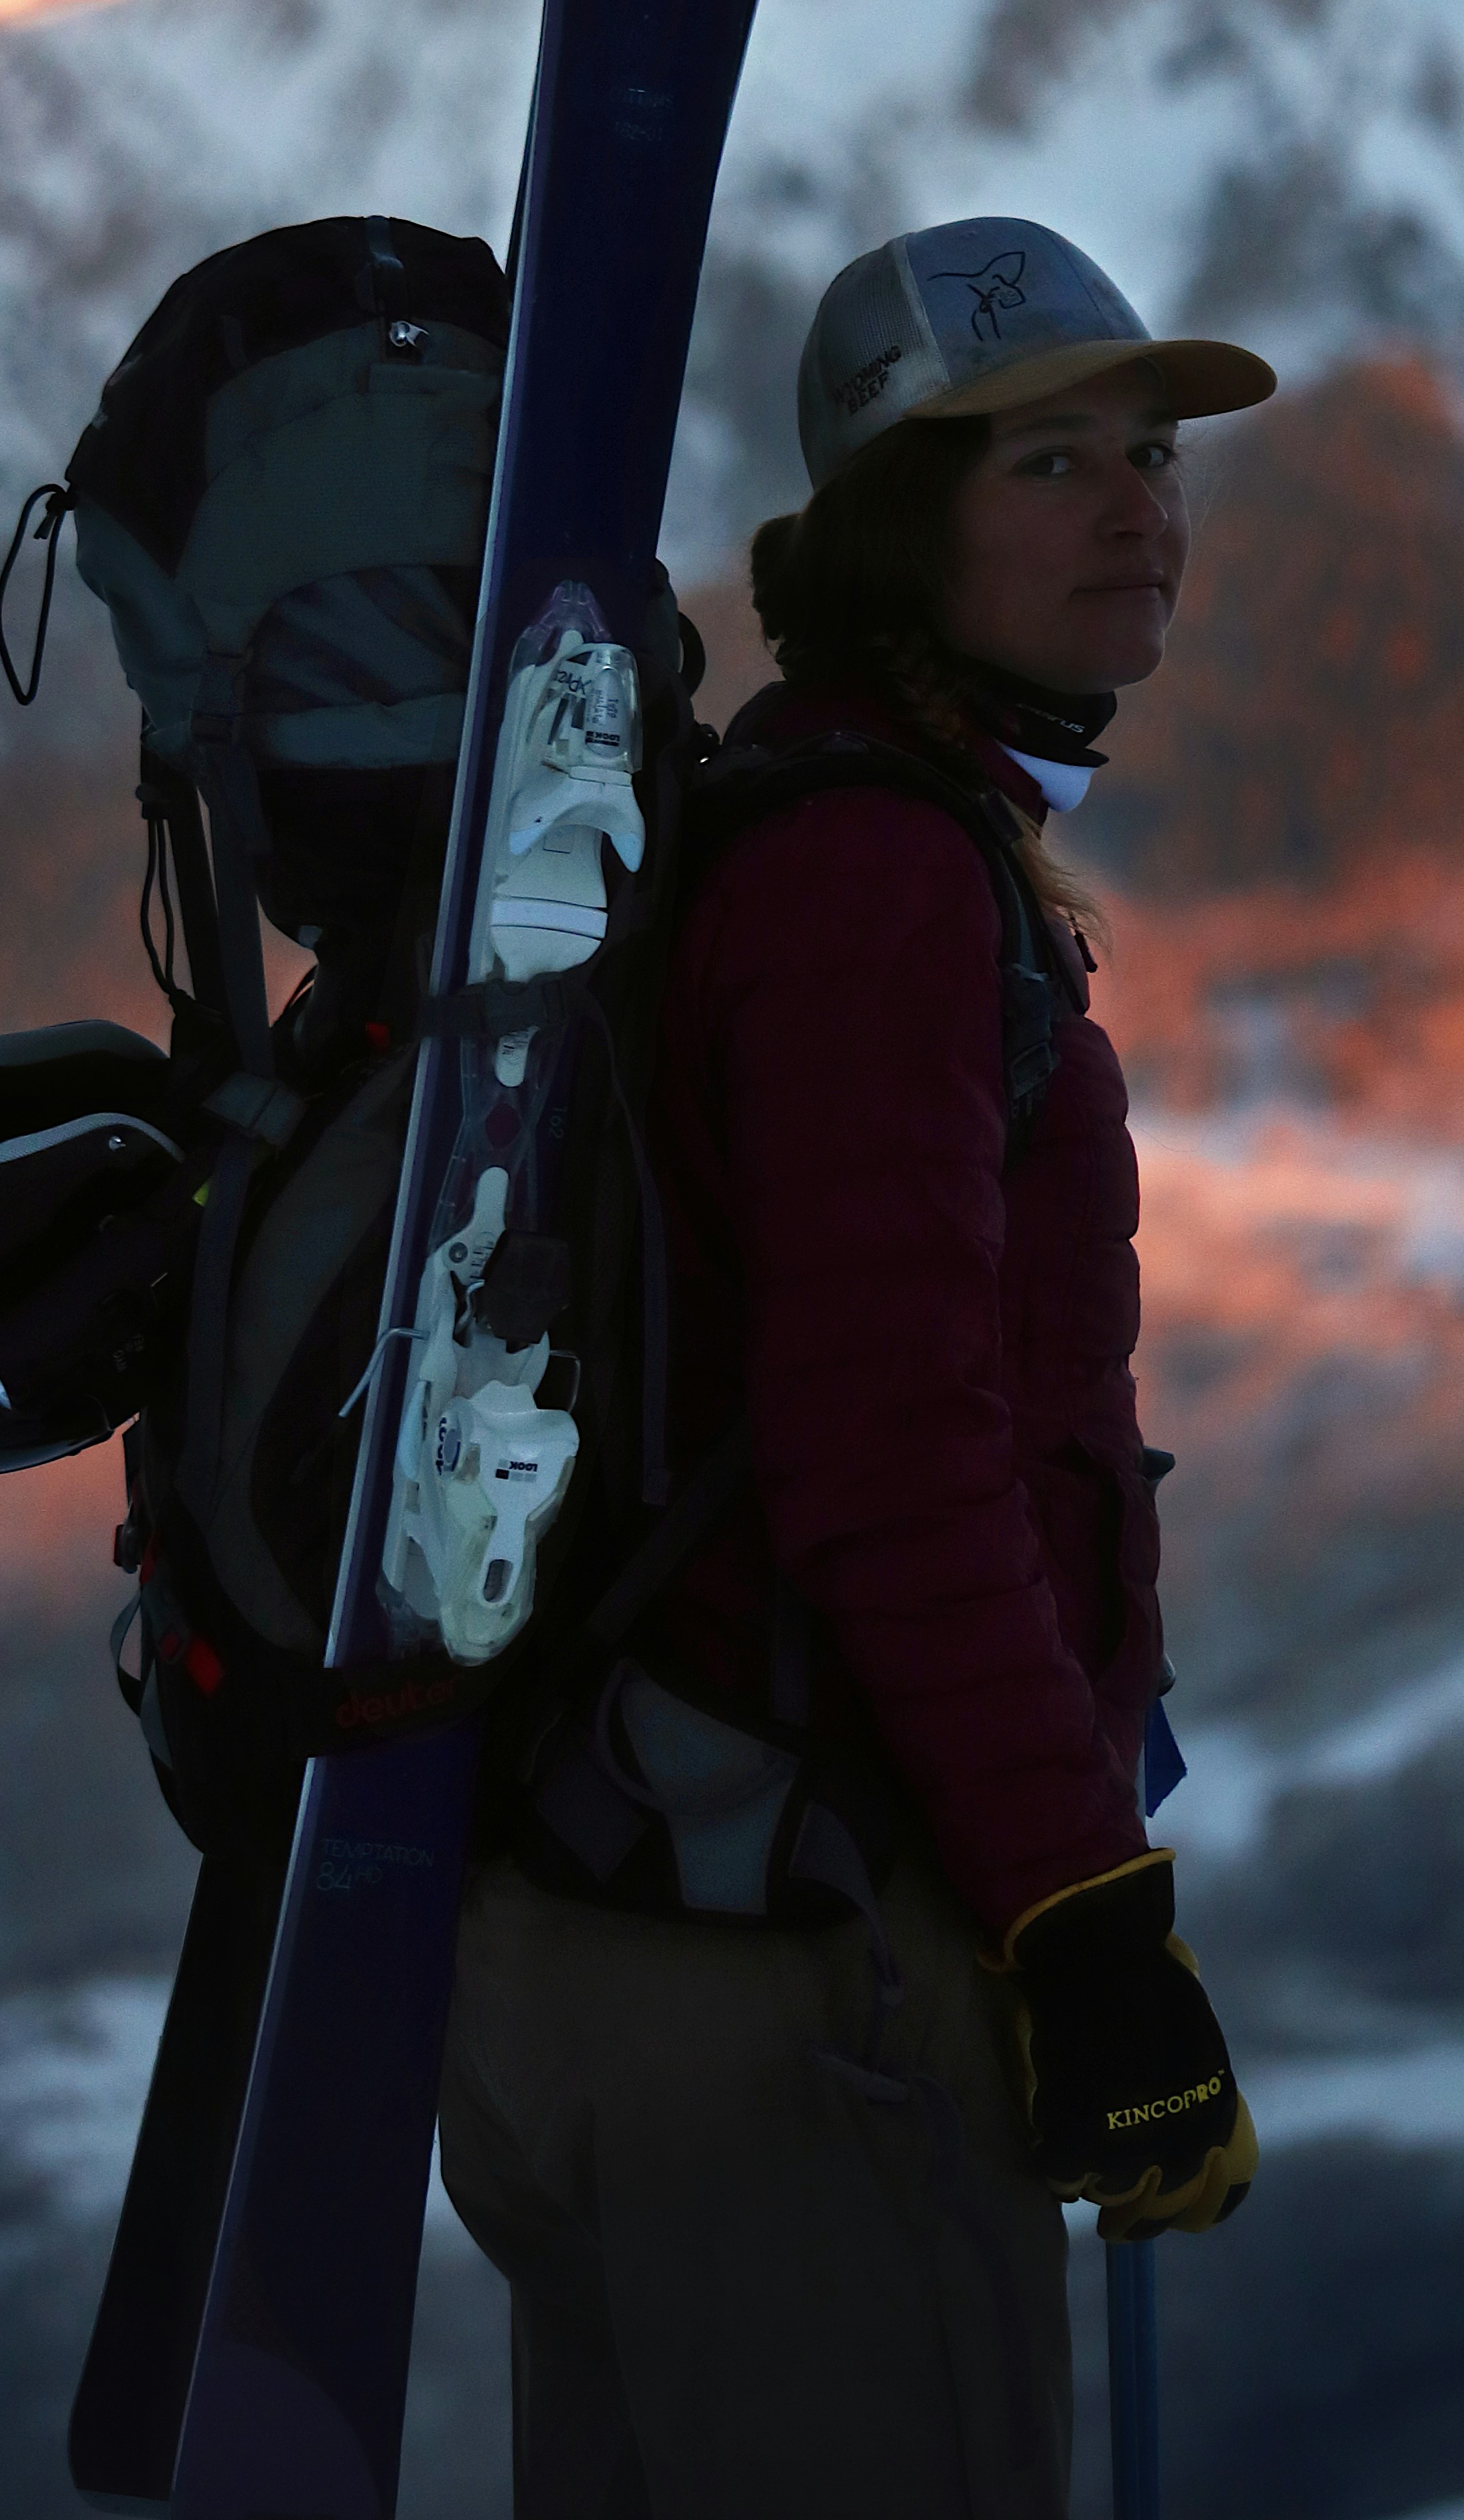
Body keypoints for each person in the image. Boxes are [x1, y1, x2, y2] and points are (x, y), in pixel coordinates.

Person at [439, 216, 1275, 2520]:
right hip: (805, 2010)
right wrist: (1083, 1924)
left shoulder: (844, 833)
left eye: (1152, 454)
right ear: (898, 530)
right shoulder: (874, 883)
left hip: (672, 1946)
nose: (1139, 510)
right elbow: (890, 1463)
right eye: (1046, 463)